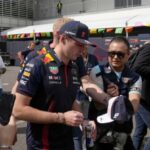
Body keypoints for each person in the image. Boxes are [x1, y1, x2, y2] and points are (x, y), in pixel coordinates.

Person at [13, 21, 97, 150]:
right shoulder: (38, 64)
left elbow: (71, 99)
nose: (82, 50)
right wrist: (61, 118)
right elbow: (18, 109)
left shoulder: (73, 67)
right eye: (79, 44)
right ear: (63, 38)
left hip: (66, 143)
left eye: (85, 45)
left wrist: (83, 121)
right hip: (42, 145)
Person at [89, 36, 142, 150]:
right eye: (112, 53)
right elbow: (97, 105)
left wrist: (118, 99)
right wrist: (109, 97)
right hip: (100, 134)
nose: (115, 57)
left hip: (123, 133)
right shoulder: (97, 71)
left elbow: (134, 106)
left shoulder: (135, 77)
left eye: (120, 54)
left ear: (128, 54)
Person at [74, 46, 99, 150]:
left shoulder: (93, 58)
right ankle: (79, 144)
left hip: (89, 96)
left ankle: (88, 144)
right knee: (78, 122)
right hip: (76, 97)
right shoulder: (75, 58)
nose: (83, 49)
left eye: (85, 47)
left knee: (88, 121)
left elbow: (97, 76)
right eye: (81, 47)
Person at [131, 43, 150, 150]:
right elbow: (137, 67)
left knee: (140, 131)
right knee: (139, 131)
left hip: (144, 97)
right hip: (143, 98)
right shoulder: (149, 48)